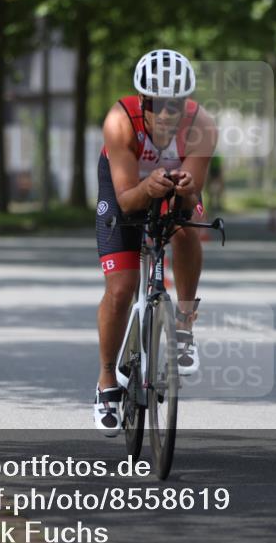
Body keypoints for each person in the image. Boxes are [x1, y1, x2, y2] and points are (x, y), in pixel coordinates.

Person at [93, 49, 217, 436]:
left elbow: (191, 191)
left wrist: (183, 189)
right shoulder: (120, 121)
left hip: (170, 183)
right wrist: (148, 186)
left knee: (189, 227)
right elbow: (128, 199)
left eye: (175, 105)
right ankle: (106, 380)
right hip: (125, 185)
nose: (166, 114)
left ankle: (183, 326)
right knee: (121, 288)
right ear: (143, 102)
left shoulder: (203, 125)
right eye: (158, 105)